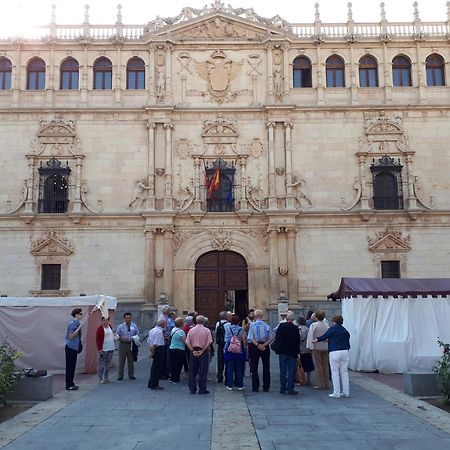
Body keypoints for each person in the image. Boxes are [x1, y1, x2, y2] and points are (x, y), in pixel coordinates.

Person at [313, 315, 351, 398]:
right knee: (344, 372)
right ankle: (346, 392)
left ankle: (336, 392)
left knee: (335, 373)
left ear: (334, 321)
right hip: (345, 351)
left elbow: (325, 335)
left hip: (335, 352)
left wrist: (317, 340)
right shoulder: (345, 330)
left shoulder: (333, 329)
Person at [247, 309, 273, 392]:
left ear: (255, 316)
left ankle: (255, 387)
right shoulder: (267, 325)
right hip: (265, 347)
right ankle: (266, 386)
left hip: (255, 346)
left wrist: (258, 345)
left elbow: (251, 338)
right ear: (262, 316)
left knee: (254, 367)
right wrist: (264, 345)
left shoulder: (252, 325)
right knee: (266, 366)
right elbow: (271, 337)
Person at [186, 315, 213, 394]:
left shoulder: (191, 330)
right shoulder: (207, 330)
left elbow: (187, 342)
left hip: (193, 351)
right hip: (203, 351)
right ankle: (202, 389)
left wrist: (192, 350)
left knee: (192, 371)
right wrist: (203, 350)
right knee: (203, 371)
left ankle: (192, 388)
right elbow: (209, 341)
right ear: (204, 321)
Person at [275, 311, 300, 395]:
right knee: (291, 371)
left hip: (283, 351)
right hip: (292, 352)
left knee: (282, 371)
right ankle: (290, 389)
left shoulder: (281, 326)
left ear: (286, 318)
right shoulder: (295, 328)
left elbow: (277, 338)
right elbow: (297, 341)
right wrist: (297, 353)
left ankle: (282, 388)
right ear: (293, 319)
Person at [307, 310, 330, 390]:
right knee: (325, 365)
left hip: (317, 347)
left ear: (316, 317)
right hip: (325, 347)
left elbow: (311, 337)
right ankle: (326, 383)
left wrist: (310, 347)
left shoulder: (314, 325)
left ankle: (320, 383)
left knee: (318, 366)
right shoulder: (327, 325)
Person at [224, 314, 247, 391]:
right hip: (239, 350)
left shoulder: (228, 329)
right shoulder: (241, 330)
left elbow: (226, 340)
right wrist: (245, 350)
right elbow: (244, 340)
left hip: (230, 350)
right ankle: (240, 385)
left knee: (230, 367)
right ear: (239, 321)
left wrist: (225, 350)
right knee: (239, 368)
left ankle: (230, 385)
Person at [116, 312, 140, 380]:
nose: (128, 319)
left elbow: (137, 333)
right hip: (123, 344)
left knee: (131, 360)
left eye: (129, 318)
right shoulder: (120, 326)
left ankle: (131, 374)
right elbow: (117, 335)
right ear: (124, 319)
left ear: (131, 318)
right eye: (126, 318)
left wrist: (135, 338)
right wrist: (121, 338)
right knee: (121, 360)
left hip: (131, 344)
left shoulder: (134, 326)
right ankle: (120, 375)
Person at [65, 308, 83, 391]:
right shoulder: (72, 324)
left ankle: (71, 383)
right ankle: (68, 385)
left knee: (72, 367)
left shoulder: (77, 323)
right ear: (76, 315)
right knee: (70, 367)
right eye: (80, 314)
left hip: (74, 348)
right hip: (70, 347)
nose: (81, 315)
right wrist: (79, 327)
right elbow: (71, 336)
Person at [147, 318, 166, 390]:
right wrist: (152, 352)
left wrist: (150, 349)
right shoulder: (159, 332)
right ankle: (155, 384)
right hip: (158, 349)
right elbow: (155, 343)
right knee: (157, 367)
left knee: (154, 367)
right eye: (164, 324)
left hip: (154, 348)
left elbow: (149, 341)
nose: (165, 325)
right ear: (162, 324)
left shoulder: (152, 330)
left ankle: (151, 382)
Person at [96, 317, 115, 384]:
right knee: (102, 364)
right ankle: (100, 378)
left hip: (111, 348)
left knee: (107, 364)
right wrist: (99, 349)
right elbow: (98, 340)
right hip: (104, 349)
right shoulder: (100, 329)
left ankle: (106, 377)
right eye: (104, 320)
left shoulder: (110, 326)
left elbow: (112, 335)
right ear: (102, 321)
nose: (105, 321)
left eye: (107, 320)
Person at [297, 316, 314, 386]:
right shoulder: (308, 329)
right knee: (309, 365)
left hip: (301, 349)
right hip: (308, 349)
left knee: (301, 365)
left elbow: (298, 339)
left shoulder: (298, 329)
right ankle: (308, 380)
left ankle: (302, 380)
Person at [169, 317, 187, 383]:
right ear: (181, 324)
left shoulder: (173, 329)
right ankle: (176, 378)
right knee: (178, 365)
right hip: (179, 349)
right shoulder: (181, 332)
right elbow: (185, 342)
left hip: (172, 348)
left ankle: (172, 378)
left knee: (172, 364)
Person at [215, 310, 228, 384]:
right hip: (226, 344)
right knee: (227, 361)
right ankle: (227, 377)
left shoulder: (217, 323)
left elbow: (216, 332)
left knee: (220, 361)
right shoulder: (228, 324)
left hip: (220, 344)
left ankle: (219, 376)